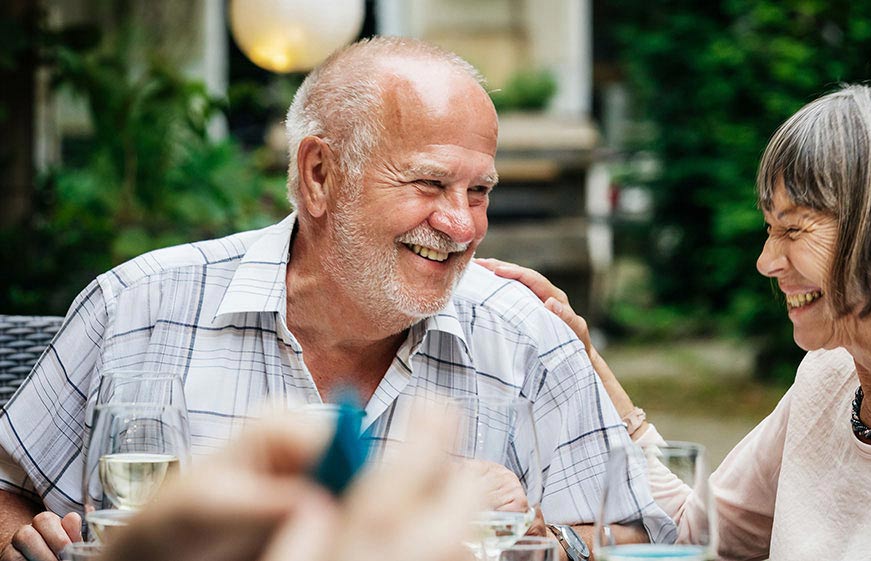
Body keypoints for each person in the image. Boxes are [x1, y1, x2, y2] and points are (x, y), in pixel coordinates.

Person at [0, 36, 672, 561]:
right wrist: (22, 537)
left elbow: (637, 538)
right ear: (319, 174)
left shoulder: (527, 338)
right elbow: (8, 488)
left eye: (480, 191)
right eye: (430, 183)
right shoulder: (137, 307)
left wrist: (536, 540)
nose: (463, 224)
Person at [479, 84, 871, 560]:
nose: (766, 261)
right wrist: (589, 364)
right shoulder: (829, 377)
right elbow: (694, 533)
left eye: (793, 229)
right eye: (770, 228)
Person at [97, 409, 487, 561]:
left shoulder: (525, 332)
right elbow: (32, 503)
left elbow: (548, 540)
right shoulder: (129, 300)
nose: (460, 226)